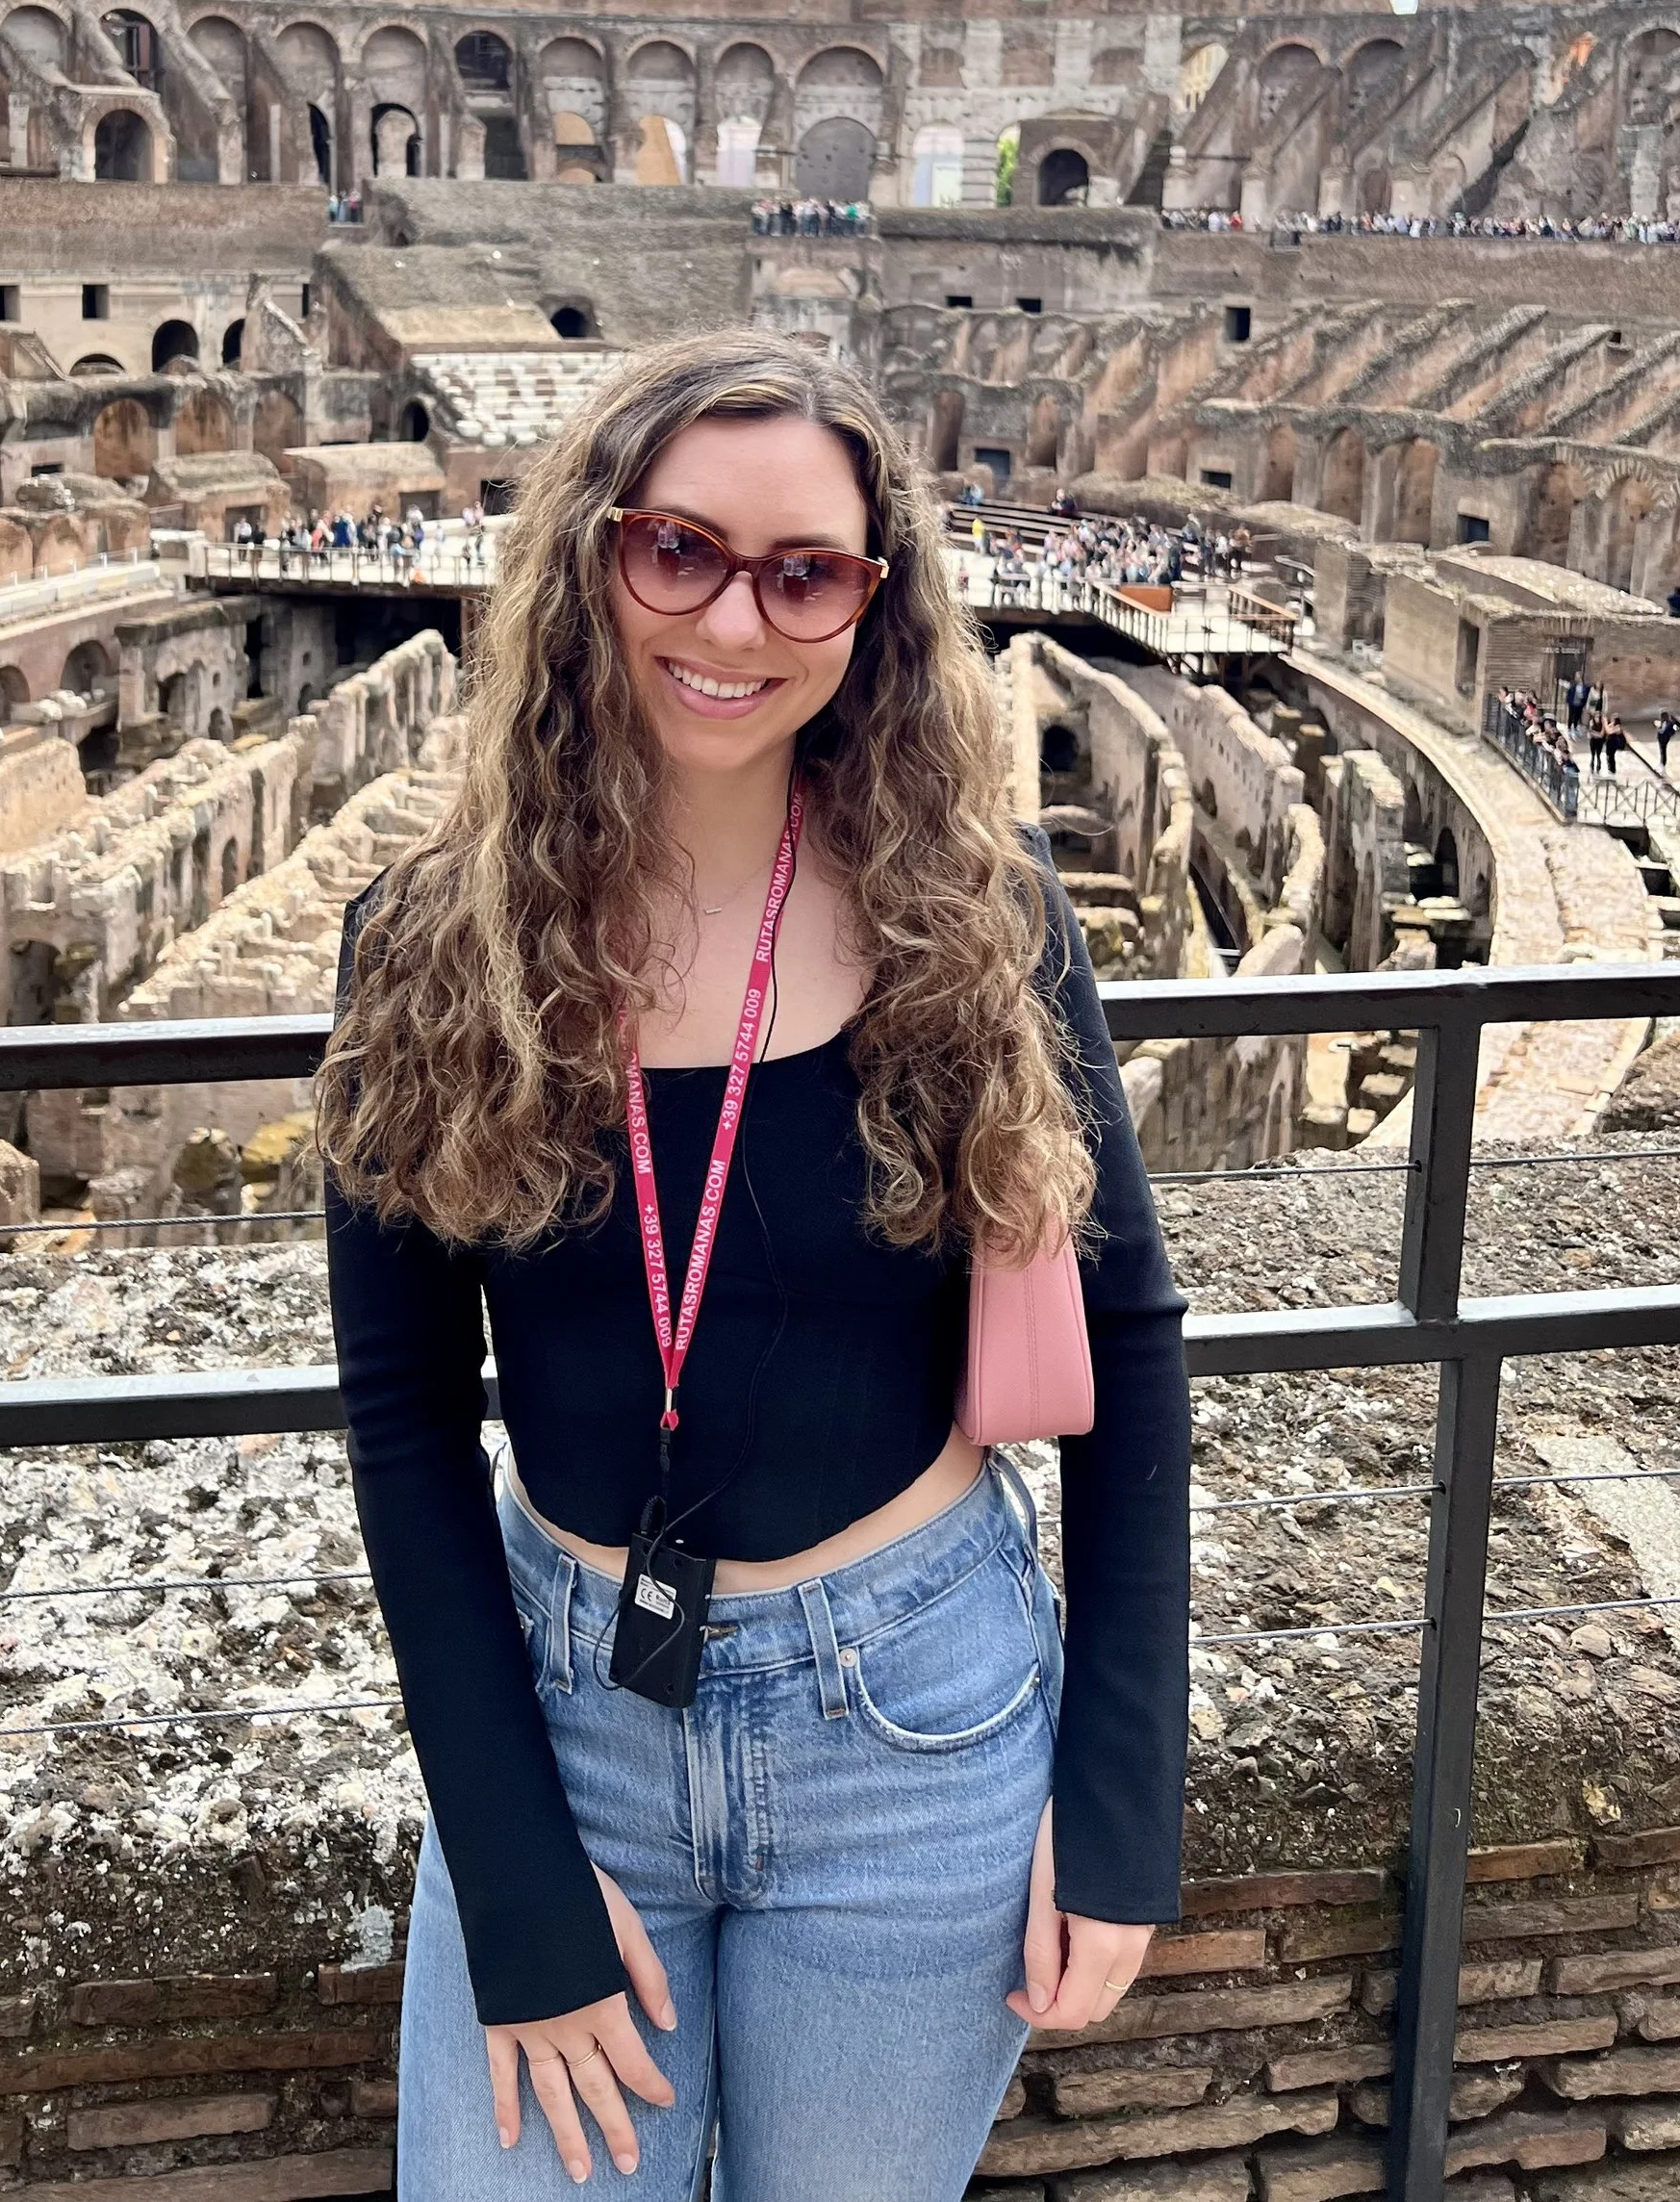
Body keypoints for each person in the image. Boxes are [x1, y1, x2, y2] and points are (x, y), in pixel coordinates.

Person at [320, 330, 1188, 2199]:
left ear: (872, 609)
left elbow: (1129, 1339)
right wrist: (516, 1885)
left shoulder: (979, 922)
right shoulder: (424, 938)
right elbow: (401, 1422)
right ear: (591, 555)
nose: (734, 620)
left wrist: (1120, 1804)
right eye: (679, 550)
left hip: (916, 1730)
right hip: (571, 1728)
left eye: (805, 573)